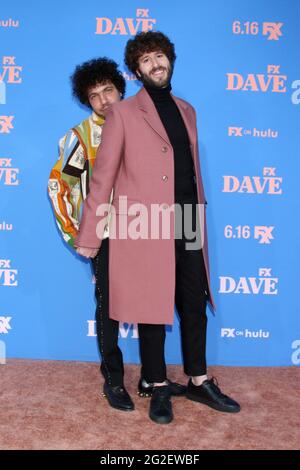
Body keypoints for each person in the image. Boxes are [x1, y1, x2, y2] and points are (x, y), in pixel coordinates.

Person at [74, 33, 240, 424]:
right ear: (136, 72)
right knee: (152, 304)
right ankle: (156, 384)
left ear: (171, 60)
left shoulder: (187, 110)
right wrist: (91, 236)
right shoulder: (123, 113)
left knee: (193, 300)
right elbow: (104, 178)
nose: (155, 64)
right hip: (145, 222)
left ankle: (198, 379)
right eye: (146, 60)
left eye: (160, 56)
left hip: (187, 218)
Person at [48, 57, 186, 413]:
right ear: (86, 101)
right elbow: (58, 186)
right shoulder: (79, 138)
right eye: (94, 96)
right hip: (107, 234)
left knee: (151, 301)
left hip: (145, 228)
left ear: (121, 88)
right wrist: (78, 235)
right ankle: (112, 379)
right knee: (109, 307)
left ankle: (150, 377)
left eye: (108, 90)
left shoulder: (144, 121)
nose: (104, 100)